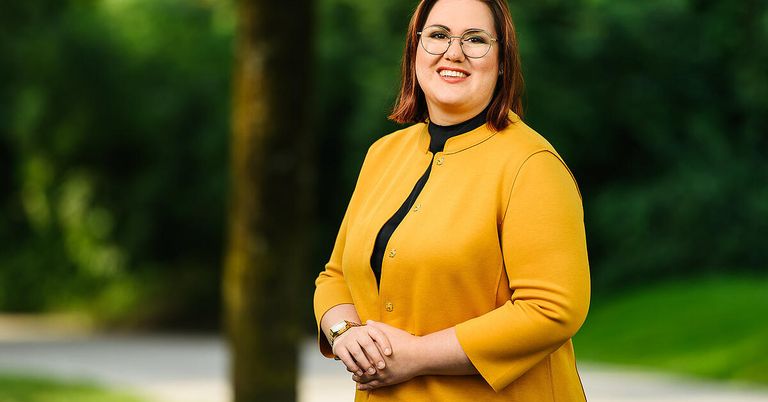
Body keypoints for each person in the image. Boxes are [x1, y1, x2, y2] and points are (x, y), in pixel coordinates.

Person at [313, 0, 590, 400]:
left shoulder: (532, 164)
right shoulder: (383, 155)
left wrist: (418, 355)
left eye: (475, 40)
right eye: (438, 35)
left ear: (502, 62)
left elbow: (552, 309)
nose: (453, 52)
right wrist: (344, 333)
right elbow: (335, 276)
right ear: (415, 52)